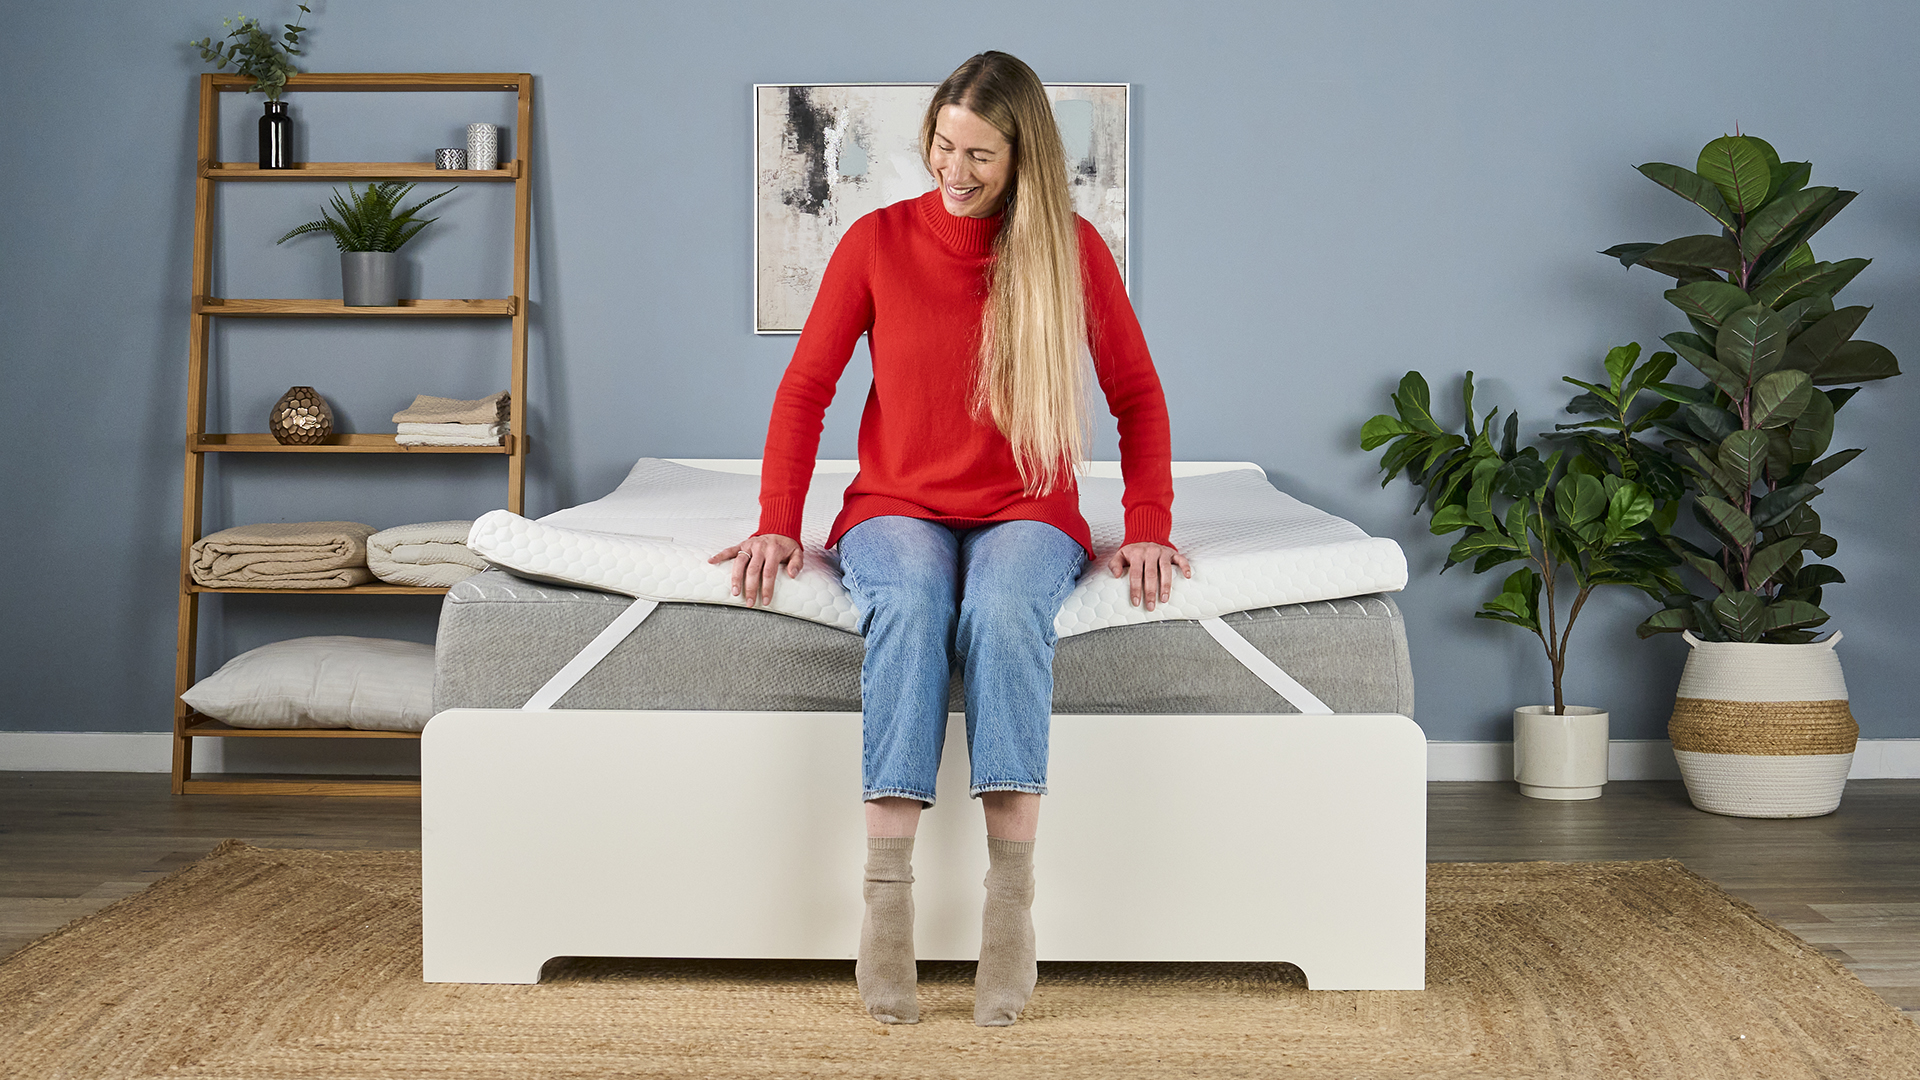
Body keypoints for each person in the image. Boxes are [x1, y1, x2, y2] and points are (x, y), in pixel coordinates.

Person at [711, 51, 1187, 1027]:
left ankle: (1011, 912)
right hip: (896, 505)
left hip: (1028, 507)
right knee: (916, 606)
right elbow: (805, 391)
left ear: (1024, 160)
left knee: (1007, 612)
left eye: (979, 154)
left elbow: (1136, 394)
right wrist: (776, 523)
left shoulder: (1071, 251)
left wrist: (1147, 527)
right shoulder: (878, 242)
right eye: (942, 144)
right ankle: (886, 909)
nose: (954, 169)